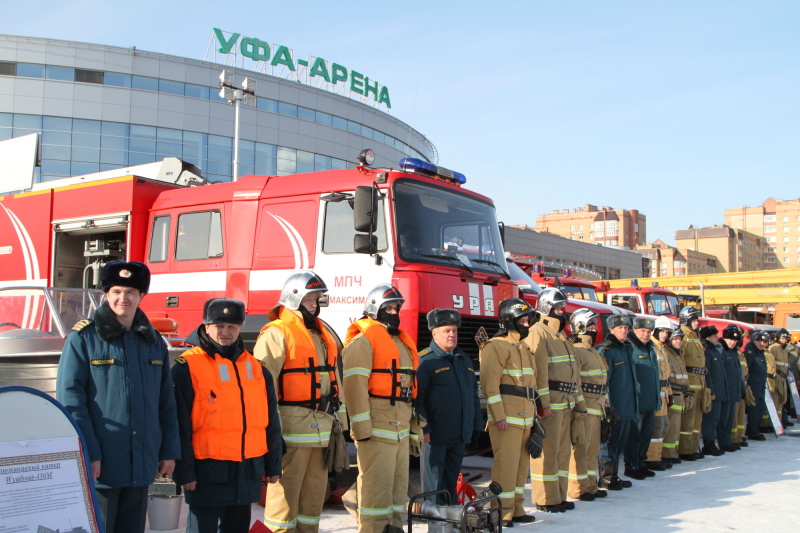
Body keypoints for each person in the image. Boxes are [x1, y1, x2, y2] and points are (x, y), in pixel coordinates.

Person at [56, 260, 180, 533]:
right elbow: (71, 401)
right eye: (116, 292)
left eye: (131, 292)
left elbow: (165, 402)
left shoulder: (154, 342)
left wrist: (169, 450)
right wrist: (88, 452)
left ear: (141, 296)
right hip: (103, 463)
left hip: (142, 462)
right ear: (106, 295)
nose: (123, 298)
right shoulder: (84, 338)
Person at [172, 298, 282, 533]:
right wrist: (184, 471)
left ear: (240, 327)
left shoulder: (258, 369)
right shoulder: (186, 367)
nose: (225, 332)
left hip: (246, 472)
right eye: (219, 326)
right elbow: (179, 425)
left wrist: (273, 464)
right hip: (205, 474)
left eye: (231, 326)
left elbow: (270, 420)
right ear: (205, 326)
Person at [255, 271, 346, 533]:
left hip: (322, 429)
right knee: (284, 498)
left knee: (313, 498)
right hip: (290, 432)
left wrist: (342, 424)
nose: (315, 304)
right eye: (310, 299)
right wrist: (270, 433)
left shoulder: (321, 335)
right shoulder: (276, 333)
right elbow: (263, 387)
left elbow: (333, 379)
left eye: (317, 299)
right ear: (293, 298)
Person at [342, 284, 420, 533]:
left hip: (400, 426)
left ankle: (394, 528)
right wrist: (361, 429)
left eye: (397, 307)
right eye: (388, 307)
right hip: (376, 429)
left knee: (398, 489)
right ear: (374, 308)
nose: (394, 312)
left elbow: (409, 390)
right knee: (376, 487)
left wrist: (414, 427)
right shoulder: (362, 342)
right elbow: (354, 388)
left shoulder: (400, 344)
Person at [479, 298, 539, 527]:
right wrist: (498, 415)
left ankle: (516, 508)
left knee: (521, 467)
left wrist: (536, 415)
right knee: (506, 466)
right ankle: (500, 512)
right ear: (509, 320)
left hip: (525, 417)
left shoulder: (523, 346)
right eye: (523, 320)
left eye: (528, 320)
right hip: (507, 419)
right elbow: (490, 385)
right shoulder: (496, 345)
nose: (527, 324)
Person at [417, 308, 484, 506]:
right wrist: (424, 429)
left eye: (454, 330)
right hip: (435, 436)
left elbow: (472, 396)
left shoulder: (463, 360)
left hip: (458, 436)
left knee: (450, 486)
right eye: (446, 331)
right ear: (434, 333)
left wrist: (476, 426)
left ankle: (451, 521)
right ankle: (436, 524)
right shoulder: (425, 361)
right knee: (433, 488)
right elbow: (417, 399)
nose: (452, 335)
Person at [567, 309, 609, 501]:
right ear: (579, 327)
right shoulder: (577, 350)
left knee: (593, 450)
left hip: (597, 407)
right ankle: (578, 488)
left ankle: (591, 484)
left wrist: (607, 405)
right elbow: (575, 381)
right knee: (581, 449)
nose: (593, 329)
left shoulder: (594, 351)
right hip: (584, 409)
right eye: (590, 326)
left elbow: (602, 381)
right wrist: (578, 407)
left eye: (595, 326)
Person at [596, 315, 638, 491]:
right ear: (611, 330)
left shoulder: (627, 348)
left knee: (620, 442)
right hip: (614, 406)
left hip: (627, 405)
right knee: (609, 443)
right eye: (620, 328)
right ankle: (605, 478)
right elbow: (605, 381)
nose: (624, 330)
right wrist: (608, 406)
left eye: (626, 328)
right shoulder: (607, 350)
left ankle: (614, 475)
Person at [624, 317, 660, 480]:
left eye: (649, 332)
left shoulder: (650, 349)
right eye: (643, 331)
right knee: (634, 436)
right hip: (637, 401)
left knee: (646, 434)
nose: (646, 334)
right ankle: (631, 465)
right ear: (635, 331)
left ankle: (641, 462)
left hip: (650, 400)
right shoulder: (630, 348)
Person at [677, 307, 708, 461]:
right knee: (688, 419)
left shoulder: (695, 337)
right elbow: (681, 361)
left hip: (700, 381)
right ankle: (685, 449)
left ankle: (694, 446)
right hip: (691, 382)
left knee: (697, 420)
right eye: (694, 320)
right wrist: (685, 385)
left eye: (697, 320)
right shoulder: (683, 337)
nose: (696, 323)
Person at [645, 317, 674, 471]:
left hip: (663, 394)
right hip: (655, 394)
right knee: (656, 428)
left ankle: (658, 456)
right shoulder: (651, 347)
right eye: (662, 331)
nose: (664, 334)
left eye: (667, 332)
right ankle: (651, 459)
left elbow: (666, 375)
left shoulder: (662, 348)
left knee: (663, 426)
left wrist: (669, 394)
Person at [662, 328, 689, 465]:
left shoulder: (678, 355)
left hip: (681, 395)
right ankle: (667, 454)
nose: (679, 342)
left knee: (676, 427)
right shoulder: (667, 354)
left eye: (680, 339)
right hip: (673, 394)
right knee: (671, 427)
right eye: (676, 339)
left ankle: (673, 452)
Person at [699, 325, 727, 457]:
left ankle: (712, 441)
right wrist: (711, 390)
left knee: (715, 418)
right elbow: (707, 372)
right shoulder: (707, 351)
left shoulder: (716, 350)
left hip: (719, 390)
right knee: (709, 419)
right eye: (715, 336)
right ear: (709, 338)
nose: (718, 338)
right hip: (713, 391)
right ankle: (708, 443)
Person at [719, 325, 746, 452]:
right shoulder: (722, 351)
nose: (733, 342)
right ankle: (724, 442)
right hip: (725, 392)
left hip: (733, 392)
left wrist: (741, 389)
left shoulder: (734, 352)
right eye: (731, 340)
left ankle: (728, 440)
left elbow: (737, 373)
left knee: (730, 419)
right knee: (723, 420)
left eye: (735, 341)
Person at [744, 331, 769, 441]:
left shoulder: (760, 352)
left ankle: (754, 429)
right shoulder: (750, 352)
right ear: (754, 340)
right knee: (754, 409)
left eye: (765, 342)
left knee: (760, 408)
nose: (762, 344)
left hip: (760, 385)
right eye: (760, 341)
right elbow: (746, 370)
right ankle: (753, 432)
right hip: (753, 385)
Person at [769, 329, 792, 427]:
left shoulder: (784, 350)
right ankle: (772, 423)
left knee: (781, 402)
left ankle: (779, 421)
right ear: (778, 338)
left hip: (782, 380)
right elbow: (770, 364)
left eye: (786, 339)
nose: (785, 341)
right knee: (775, 402)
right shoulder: (774, 348)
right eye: (783, 338)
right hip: (775, 379)